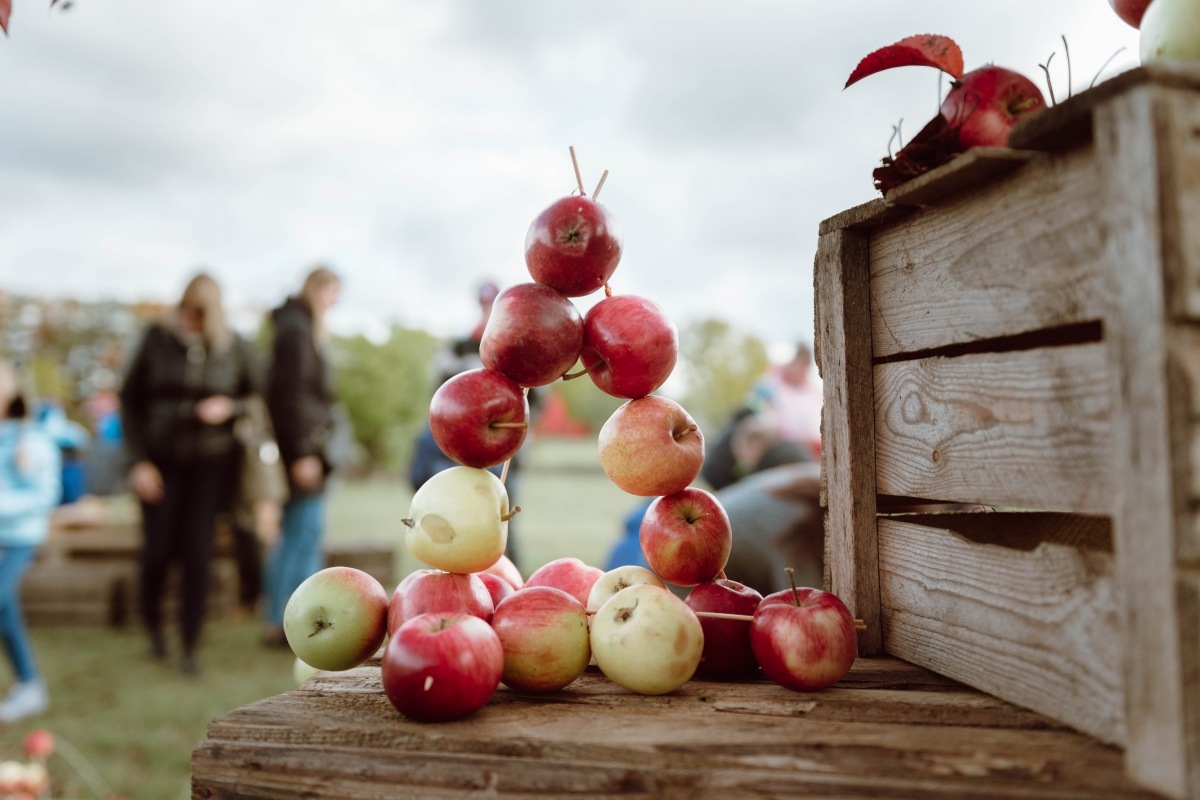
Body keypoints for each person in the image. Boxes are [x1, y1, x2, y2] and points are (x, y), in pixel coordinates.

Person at [119, 273, 261, 675]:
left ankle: (190, 644)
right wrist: (137, 461)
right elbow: (129, 402)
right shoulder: (155, 339)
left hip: (211, 465)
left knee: (198, 553)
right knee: (158, 551)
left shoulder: (235, 347)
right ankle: (153, 630)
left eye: (199, 314)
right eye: (186, 310)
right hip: (160, 462)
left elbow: (255, 398)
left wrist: (229, 408)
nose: (190, 320)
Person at [262, 266, 342, 647]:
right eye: (331, 293)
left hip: (307, 446)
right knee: (302, 534)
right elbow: (291, 396)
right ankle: (285, 620)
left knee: (299, 532)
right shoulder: (296, 331)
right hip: (302, 449)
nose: (333, 302)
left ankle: (282, 618)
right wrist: (303, 452)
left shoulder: (297, 327)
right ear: (315, 288)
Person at [0, 360, 60, 721]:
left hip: (19, 537)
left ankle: (29, 684)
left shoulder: (30, 439)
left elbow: (44, 494)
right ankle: (29, 685)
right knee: (5, 611)